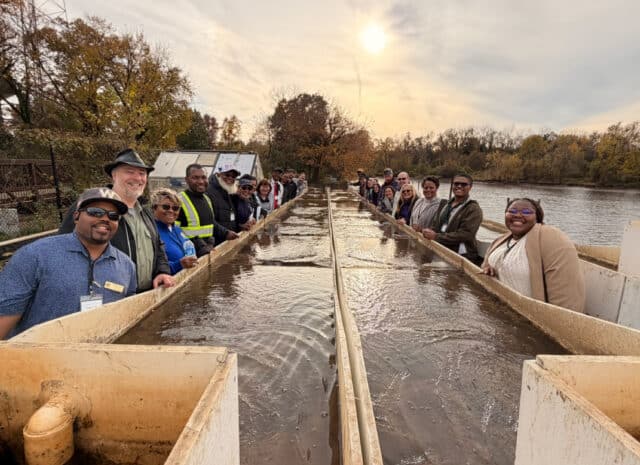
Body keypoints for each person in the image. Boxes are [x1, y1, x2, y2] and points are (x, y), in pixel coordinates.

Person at [0, 188, 137, 338]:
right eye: (95, 212)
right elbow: (5, 317)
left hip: (100, 356)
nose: (105, 218)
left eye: (113, 216)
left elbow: (127, 316)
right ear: (76, 216)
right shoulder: (34, 256)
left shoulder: (126, 266)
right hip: (39, 358)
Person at [59, 148, 174, 292]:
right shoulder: (89, 207)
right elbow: (64, 250)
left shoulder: (145, 211)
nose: (138, 178)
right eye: (129, 172)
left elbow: (158, 245)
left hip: (146, 297)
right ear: (114, 175)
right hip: (108, 299)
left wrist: (162, 271)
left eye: (142, 173)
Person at [482, 198, 585, 312]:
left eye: (526, 212)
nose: (518, 215)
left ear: (538, 218)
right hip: (502, 307)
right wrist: (488, 268)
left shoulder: (550, 236)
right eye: (512, 211)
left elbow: (565, 291)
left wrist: (561, 320)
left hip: (530, 314)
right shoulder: (501, 240)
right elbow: (487, 264)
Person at [177, 164, 238, 256]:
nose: (201, 181)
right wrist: (200, 246)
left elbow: (211, 223)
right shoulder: (179, 201)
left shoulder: (206, 199)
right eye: (195, 178)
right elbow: (174, 232)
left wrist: (226, 233)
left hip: (207, 252)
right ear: (186, 180)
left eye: (203, 177)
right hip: (190, 256)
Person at [422, 173, 483, 265]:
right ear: (452, 185)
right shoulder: (445, 204)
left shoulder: (473, 209)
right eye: (456, 183)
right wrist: (428, 232)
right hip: (441, 251)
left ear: (470, 187)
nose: (459, 186)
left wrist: (436, 236)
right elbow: (435, 225)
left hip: (461, 257)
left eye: (464, 184)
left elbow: (466, 235)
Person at [152, 188, 198, 275]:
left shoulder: (177, 229)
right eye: (166, 207)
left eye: (175, 208)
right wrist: (179, 264)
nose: (171, 211)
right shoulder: (151, 232)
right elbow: (152, 267)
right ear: (154, 207)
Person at [207, 166, 240, 237]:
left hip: (228, 238)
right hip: (216, 240)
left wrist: (240, 226)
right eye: (227, 175)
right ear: (219, 174)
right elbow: (208, 219)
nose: (230, 178)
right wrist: (225, 233)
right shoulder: (209, 191)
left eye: (233, 176)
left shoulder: (230, 191)